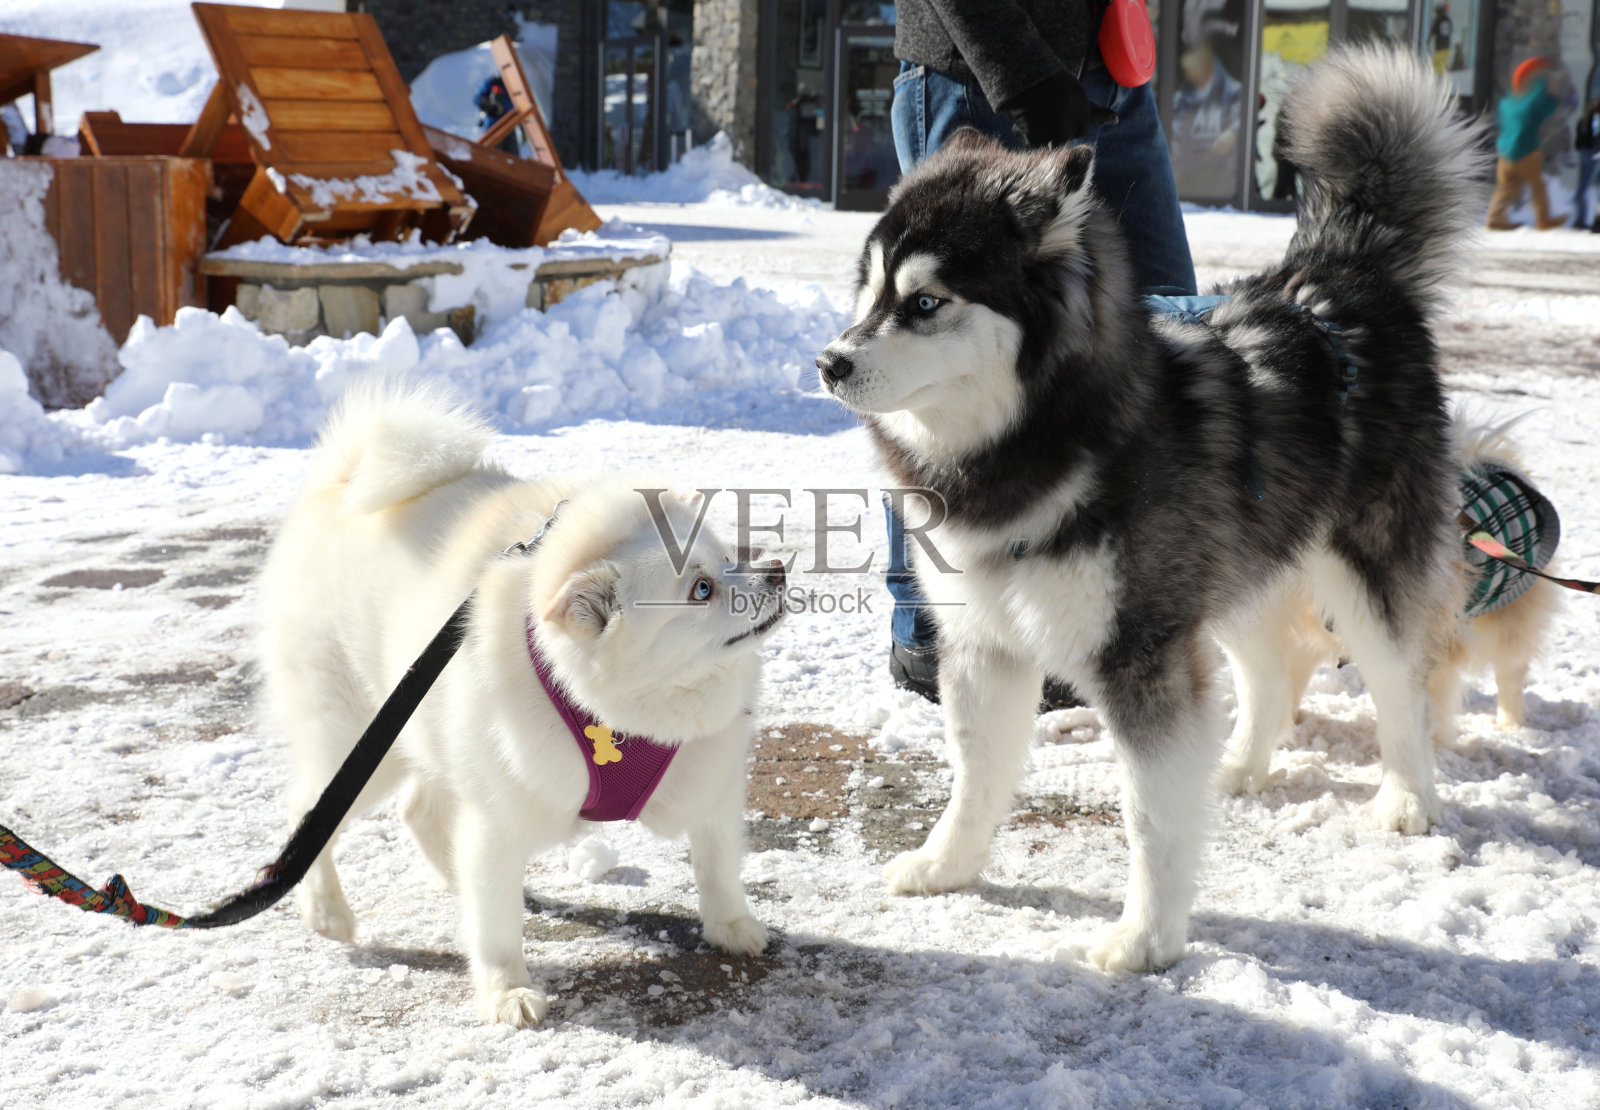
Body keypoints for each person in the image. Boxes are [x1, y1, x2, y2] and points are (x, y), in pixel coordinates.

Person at [884, 0, 1199, 705]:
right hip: (980, 75)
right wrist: (1019, 73)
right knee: (936, 346)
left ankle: (1105, 609)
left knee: (1167, 324)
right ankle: (929, 627)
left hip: (1113, 74)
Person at [1486, 56, 1565, 231]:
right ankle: (1543, 219)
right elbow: (1546, 107)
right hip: (1526, 152)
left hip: (1504, 152)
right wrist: (1547, 88)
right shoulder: (1530, 103)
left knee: (1508, 187)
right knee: (1538, 187)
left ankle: (1495, 217)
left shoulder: (1507, 104)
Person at [1573, 94, 1600, 233]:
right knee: (1589, 186)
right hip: (1594, 154)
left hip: (1585, 152)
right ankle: (1585, 220)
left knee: (1586, 185)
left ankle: (1581, 218)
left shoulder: (1585, 118)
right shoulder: (1597, 117)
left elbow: (1578, 140)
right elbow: (1597, 135)